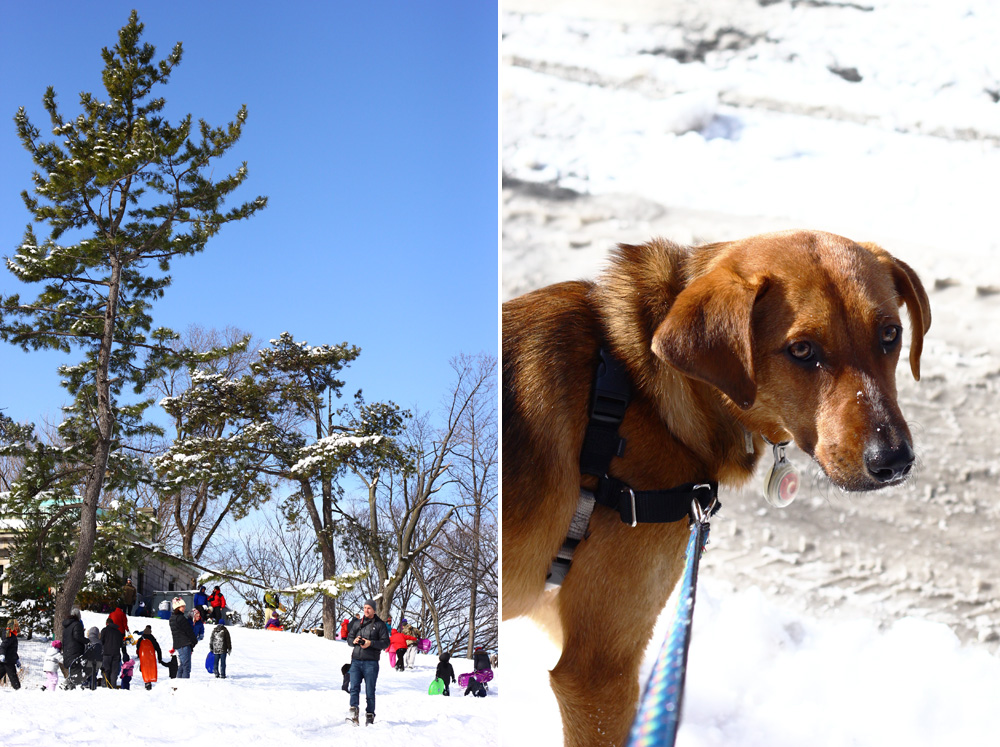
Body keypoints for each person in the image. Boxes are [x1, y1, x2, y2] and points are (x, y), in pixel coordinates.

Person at [346, 598, 390, 726]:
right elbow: (349, 639)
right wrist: (354, 641)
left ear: (374, 610)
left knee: (370, 691)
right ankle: (353, 714)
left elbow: (386, 643)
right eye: (365, 607)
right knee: (353, 688)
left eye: (369, 608)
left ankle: (370, 716)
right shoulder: (357, 623)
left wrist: (371, 643)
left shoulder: (380, 625)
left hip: (371, 663)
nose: (366, 610)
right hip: (356, 661)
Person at [169, 596, 198, 678]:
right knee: (186, 667)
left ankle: (179, 683)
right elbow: (188, 631)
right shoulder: (181, 618)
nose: (184, 608)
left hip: (178, 644)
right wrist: (194, 641)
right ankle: (184, 684)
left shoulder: (172, 618)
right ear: (177, 607)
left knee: (182, 665)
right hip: (184, 644)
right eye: (182, 606)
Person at [100, 615, 127, 688]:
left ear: (107, 623)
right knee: (114, 672)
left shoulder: (104, 630)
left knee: (106, 670)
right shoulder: (118, 632)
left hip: (106, 654)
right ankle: (113, 686)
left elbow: (101, 642)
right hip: (116, 654)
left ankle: (106, 686)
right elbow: (121, 644)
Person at [61, 607, 87, 678]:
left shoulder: (67, 626)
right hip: (75, 650)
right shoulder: (77, 624)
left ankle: (69, 686)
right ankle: (67, 684)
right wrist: (87, 641)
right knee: (76, 672)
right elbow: (77, 636)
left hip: (67, 651)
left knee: (72, 671)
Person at [137, 624, 162, 691]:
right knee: (150, 670)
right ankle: (149, 682)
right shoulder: (152, 639)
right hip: (151, 657)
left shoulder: (141, 639)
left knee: (145, 670)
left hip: (144, 657)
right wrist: (160, 658)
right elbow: (158, 649)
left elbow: (138, 647)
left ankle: (147, 682)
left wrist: (139, 655)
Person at [0, 620, 22, 690]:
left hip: (8, 659)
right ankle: (18, 690)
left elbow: (12, 650)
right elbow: (3, 646)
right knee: (13, 677)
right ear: (11, 626)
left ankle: (17, 689)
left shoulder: (13, 635)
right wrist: (2, 654)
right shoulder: (9, 635)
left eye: (17, 626)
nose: (16, 627)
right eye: (15, 626)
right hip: (8, 660)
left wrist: (17, 659)